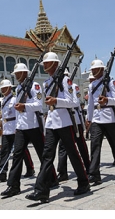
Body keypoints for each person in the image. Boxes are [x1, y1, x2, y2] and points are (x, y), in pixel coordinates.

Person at [26, 52, 90, 203]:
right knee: (47, 155)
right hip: (52, 122)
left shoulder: (66, 80)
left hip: (64, 121)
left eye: (47, 63)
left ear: (55, 64)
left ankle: (84, 182)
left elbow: (73, 102)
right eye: (44, 64)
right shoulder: (47, 83)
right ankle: (41, 190)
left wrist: (57, 101)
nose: (45, 66)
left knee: (72, 153)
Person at [1, 62, 56, 198]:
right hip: (21, 127)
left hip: (34, 126)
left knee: (42, 154)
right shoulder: (19, 87)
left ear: (25, 73)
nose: (17, 76)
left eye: (18, 73)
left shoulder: (34, 86)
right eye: (15, 74)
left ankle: (52, 178)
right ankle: (13, 185)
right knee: (17, 156)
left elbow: (38, 104)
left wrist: (24, 106)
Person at [86, 59, 115, 186]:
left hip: (109, 116)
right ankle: (94, 174)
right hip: (96, 117)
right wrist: (89, 119)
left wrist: (107, 100)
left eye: (96, 69)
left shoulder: (110, 83)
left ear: (102, 69)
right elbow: (90, 105)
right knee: (95, 145)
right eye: (92, 70)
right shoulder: (91, 85)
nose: (94, 72)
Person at [0, 79, 35, 182]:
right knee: (4, 151)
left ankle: (30, 168)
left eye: (5, 88)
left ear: (10, 88)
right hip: (7, 128)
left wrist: (18, 127)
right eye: (2, 88)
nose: (3, 90)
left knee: (21, 150)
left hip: (15, 127)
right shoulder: (2, 100)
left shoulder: (15, 99)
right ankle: (2, 172)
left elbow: (18, 114)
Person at [56, 68, 90, 183]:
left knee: (81, 145)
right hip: (64, 121)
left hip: (75, 120)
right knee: (63, 147)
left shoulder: (73, 86)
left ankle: (88, 167)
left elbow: (75, 102)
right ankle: (62, 172)